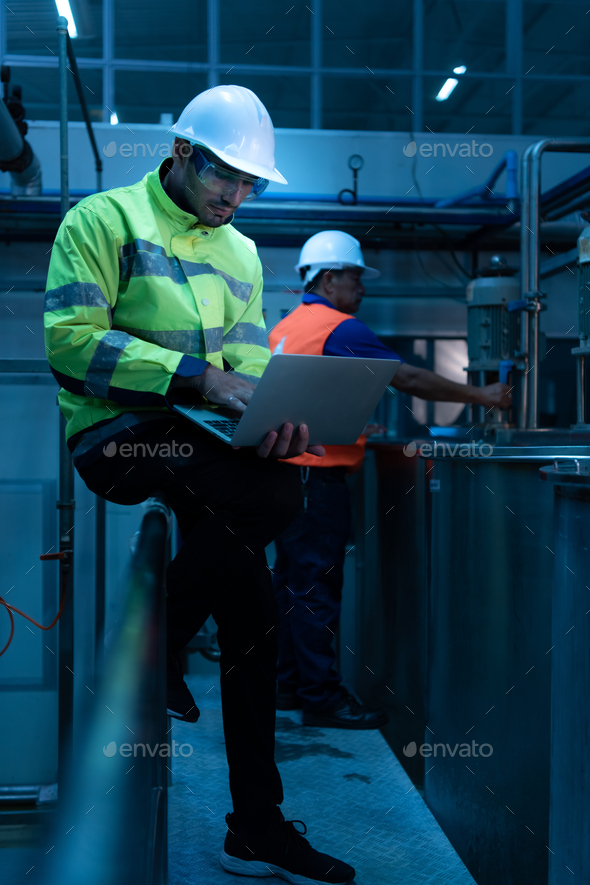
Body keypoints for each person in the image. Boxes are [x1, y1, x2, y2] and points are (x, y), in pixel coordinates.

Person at [44, 88, 355, 885]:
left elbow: (248, 367)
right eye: (226, 177)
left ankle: (255, 825)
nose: (236, 197)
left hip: (204, 443)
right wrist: (199, 381)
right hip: (115, 436)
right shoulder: (103, 220)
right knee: (277, 501)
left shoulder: (242, 253)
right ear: (182, 151)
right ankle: (168, 647)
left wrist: (274, 416)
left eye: (251, 185)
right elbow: (71, 345)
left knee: (255, 616)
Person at [268, 230, 512, 729]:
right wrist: (483, 396)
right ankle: (323, 699)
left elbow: (309, 397)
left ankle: (288, 686)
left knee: (291, 584)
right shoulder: (342, 328)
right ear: (330, 277)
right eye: (356, 278)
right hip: (319, 482)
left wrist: (356, 424)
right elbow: (409, 379)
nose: (363, 289)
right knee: (315, 585)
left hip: (286, 476)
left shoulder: (289, 326)